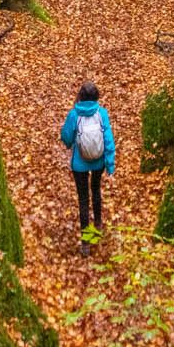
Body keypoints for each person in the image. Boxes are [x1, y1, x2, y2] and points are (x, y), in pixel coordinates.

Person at [59, 79, 115, 253]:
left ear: (81, 96)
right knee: (96, 190)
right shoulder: (102, 113)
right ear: (96, 96)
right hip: (98, 161)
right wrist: (110, 164)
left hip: (79, 165)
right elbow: (108, 140)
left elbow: (66, 136)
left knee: (83, 199)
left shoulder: (74, 114)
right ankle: (98, 223)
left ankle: (85, 243)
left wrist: (70, 144)